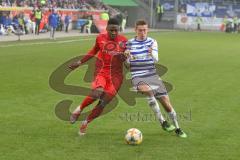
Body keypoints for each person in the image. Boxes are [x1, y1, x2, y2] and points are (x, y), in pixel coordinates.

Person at [124, 19, 187, 138]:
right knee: (149, 91)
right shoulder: (129, 43)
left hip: (152, 75)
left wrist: (151, 52)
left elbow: (156, 59)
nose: (142, 33)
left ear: (147, 30)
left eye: (145, 30)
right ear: (135, 30)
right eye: (140, 30)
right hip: (137, 76)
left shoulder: (152, 42)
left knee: (166, 103)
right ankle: (162, 122)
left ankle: (178, 128)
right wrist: (126, 57)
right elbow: (127, 65)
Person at [68, 18, 127, 136]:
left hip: (116, 76)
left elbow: (128, 61)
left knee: (104, 103)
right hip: (102, 72)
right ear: (107, 28)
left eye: (116, 30)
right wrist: (79, 63)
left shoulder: (124, 41)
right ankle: (79, 110)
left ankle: (86, 122)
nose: (114, 33)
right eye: (111, 30)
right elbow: (93, 51)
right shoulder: (100, 38)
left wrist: (125, 59)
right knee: (97, 93)